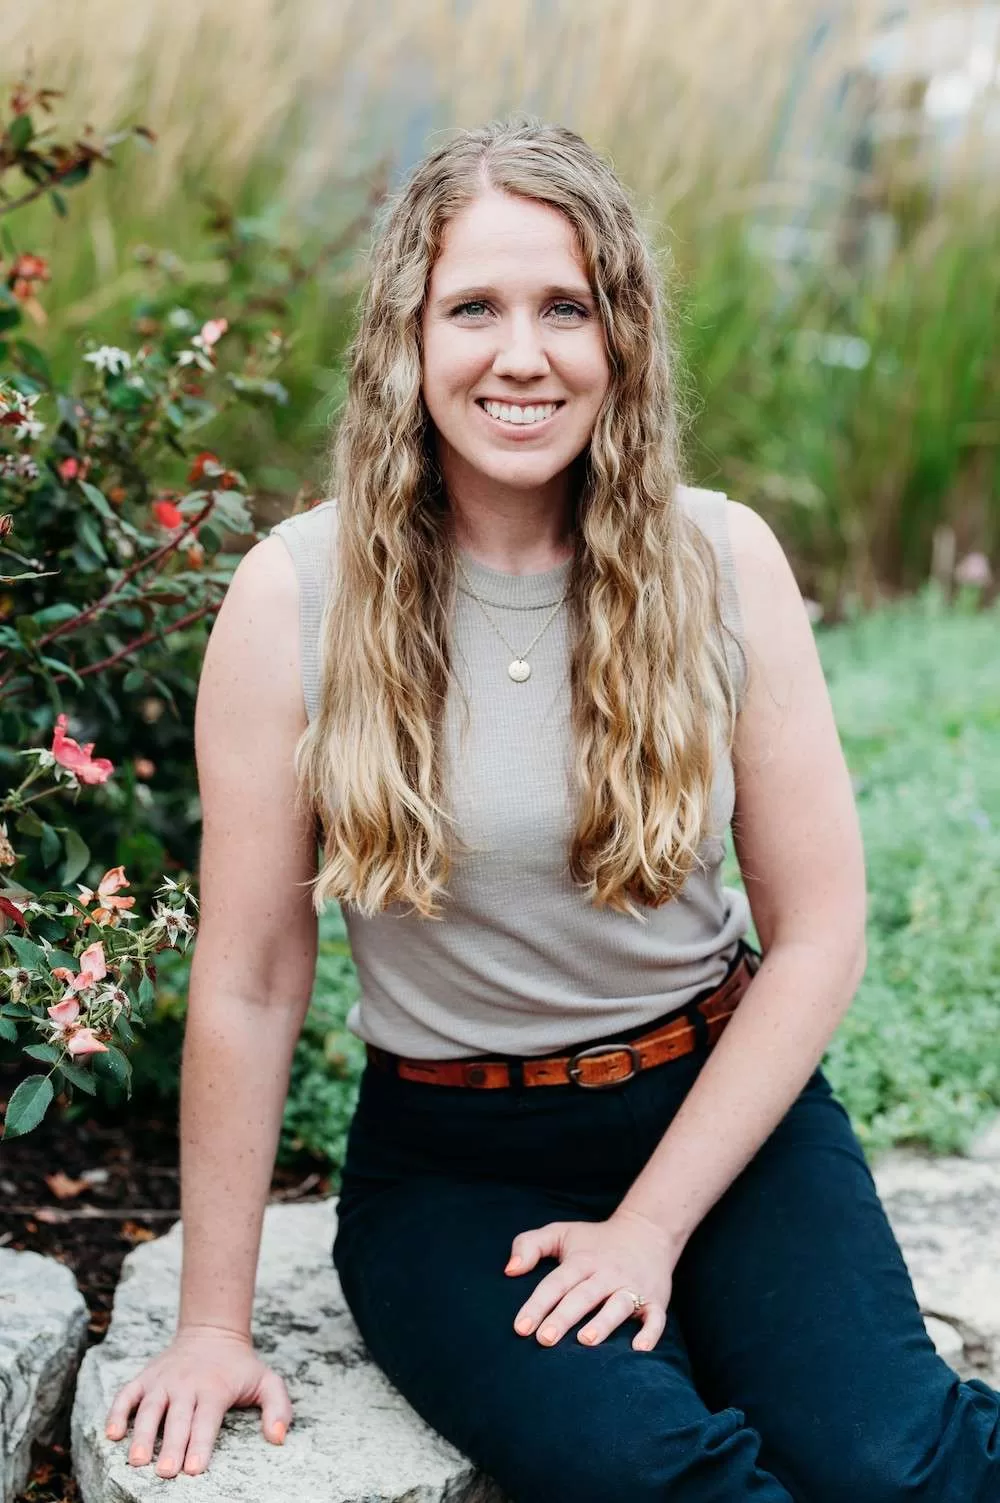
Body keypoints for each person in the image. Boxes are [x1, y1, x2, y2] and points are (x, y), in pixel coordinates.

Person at [103, 117, 1000, 1500]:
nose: (521, 354)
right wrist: (212, 1323)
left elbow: (820, 932)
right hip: (458, 1174)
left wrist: (648, 1231)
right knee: (658, 1476)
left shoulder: (723, 561)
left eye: (564, 308)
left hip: (721, 1114)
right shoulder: (296, 597)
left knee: (899, 1463)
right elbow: (252, 976)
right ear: (407, 338)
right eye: (474, 307)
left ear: (620, 340)